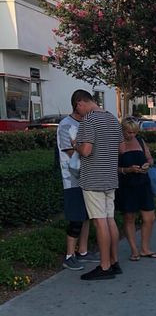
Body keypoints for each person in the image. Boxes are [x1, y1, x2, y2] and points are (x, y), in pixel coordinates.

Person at [72, 90, 123, 281]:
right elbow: (121, 147)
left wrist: (76, 144)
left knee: (99, 221)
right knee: (110, 219)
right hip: (110, 177)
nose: (79, 113)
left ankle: (104, 266)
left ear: (80, 103)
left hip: (93, 179)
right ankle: (114, 261)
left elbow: (86, 150)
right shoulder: (111, 118)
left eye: (78, 109)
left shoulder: (89, 120)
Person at [56, 105, 99, 271]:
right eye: (89, 105)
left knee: (86, 215)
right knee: (76, 218)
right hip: (72, 179)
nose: (92, 109)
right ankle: (69, 255)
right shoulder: (66, 125)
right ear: (79, 104)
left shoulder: (86, 123)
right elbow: (70, 152)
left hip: (87, 178)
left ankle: (83, 250)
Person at [117, 118, 156, 261]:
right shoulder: (117, 144)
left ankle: (145, 248)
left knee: (149, 217)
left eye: (134, 132)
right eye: (129, 132)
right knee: (129, 218)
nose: (132, 135)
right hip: (127, 185)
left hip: (143, 183)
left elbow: (149, 158)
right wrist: (127, 170)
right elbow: (111, 167)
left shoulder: (140, 141)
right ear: (122, 130)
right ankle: (134, 250)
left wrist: (148, 164)